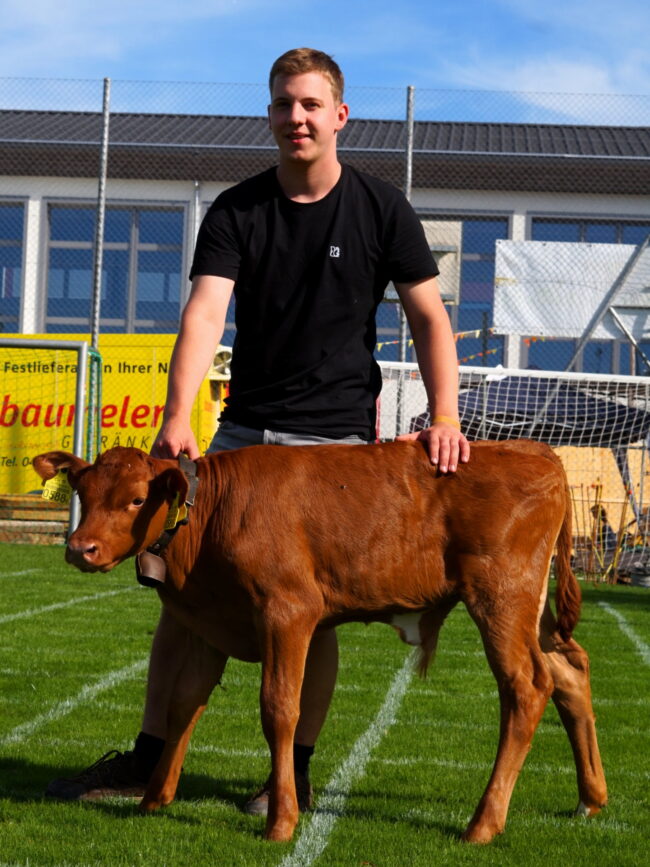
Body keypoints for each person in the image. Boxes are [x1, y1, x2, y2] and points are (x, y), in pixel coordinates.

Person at [46, 47, 470, 814]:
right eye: (283, 104)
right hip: (243, 436)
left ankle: (292, 773)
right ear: (269, 114)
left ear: (340, 116)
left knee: (312, 603)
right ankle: (147, 759)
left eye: (310, 104)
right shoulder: (238, 209)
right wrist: (179, 415)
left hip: (337, 443)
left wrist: (445, 414)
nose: (295, 118)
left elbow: (431, 318)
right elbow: (206, 311)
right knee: (176, 585)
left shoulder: (382, 208)